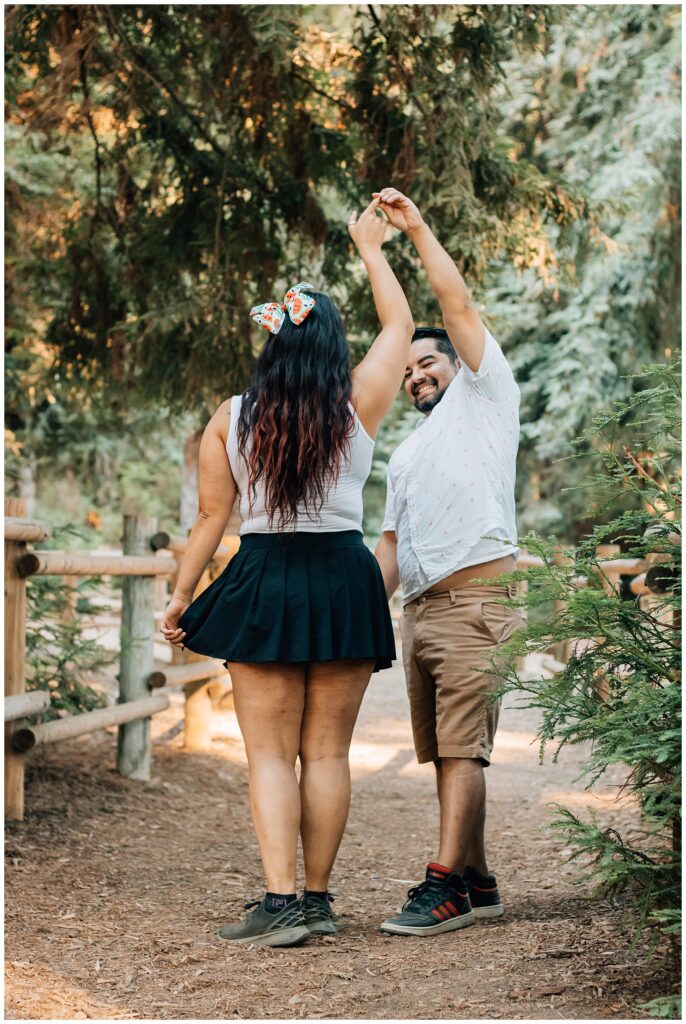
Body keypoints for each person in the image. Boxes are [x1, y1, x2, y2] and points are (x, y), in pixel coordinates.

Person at [161, 197, 414, 948]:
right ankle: (320, 899)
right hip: (344, 573)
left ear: (273, 344)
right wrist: (371, 248)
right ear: (338, 346)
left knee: (269, 755)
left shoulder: (230, 415)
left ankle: (280, 904)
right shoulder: (359, 401)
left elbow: (212, 521)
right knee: (328, 753)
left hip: (264, 575)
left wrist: (181, 598)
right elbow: (399, 327)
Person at [372, 187, 524, 937]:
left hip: (479, 599)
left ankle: (441, 887)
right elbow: (393, 545)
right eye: (406, 372)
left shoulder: (485, 393)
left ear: (456, 361)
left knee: (464, 745)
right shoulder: (405, 450)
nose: (416, 375)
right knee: (449, 755)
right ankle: (478, 880)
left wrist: (417, 229)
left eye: (426, 360)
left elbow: (453, 300)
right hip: (422, 611)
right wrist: (364, 607)